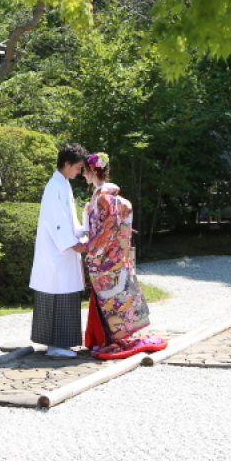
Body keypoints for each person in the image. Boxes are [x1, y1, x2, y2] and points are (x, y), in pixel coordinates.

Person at [82, 152, 167, 360]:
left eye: (84, 171)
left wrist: (90, 250)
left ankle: (117, 339)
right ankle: (116, 337)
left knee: (113, 300)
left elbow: (107, 229)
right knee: (119, 297)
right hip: (117, 256)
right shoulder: (116, 199)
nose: (82, 175)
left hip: (104, 259)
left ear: (93, 170)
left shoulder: (102, 198)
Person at [29, 143, 90, 357]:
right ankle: (55, 346)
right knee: (58, 293)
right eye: (78, 167)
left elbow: (68, 220)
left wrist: (82, 232)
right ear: (67, 163)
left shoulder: (63, 184)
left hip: (63, 251)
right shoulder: (54, 186)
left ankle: (61, 344)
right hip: (57, 252)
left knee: (65, 292)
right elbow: (56, 222)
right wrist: (74, 243)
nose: (80, 172)